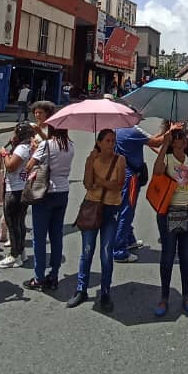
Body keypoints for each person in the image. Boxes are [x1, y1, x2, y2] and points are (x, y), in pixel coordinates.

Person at [68, 129, 126, 312]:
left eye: (113, 140)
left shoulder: (120, 160)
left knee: (107, 253)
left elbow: (118, 185)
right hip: (92, 207)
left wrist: (100, 182)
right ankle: (81, 288)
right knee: (87, 251)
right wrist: (91, 162)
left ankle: (106, 291)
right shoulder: (91, 159)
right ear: (99, 142)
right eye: (108, 141)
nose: (111, 144)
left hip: (111, 208)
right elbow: (87, 183)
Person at [152, 125, 188, 316]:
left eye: (184, 137)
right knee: (168, 256)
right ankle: (164, 297)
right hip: (168, 214)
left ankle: (186, 295)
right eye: (178, 137)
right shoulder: (168, 159)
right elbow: (156, 171)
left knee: (186, 257)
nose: (182, 139)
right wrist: (165, 144)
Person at [23, 125, 75, 291]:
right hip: (63, 191)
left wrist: (34, 150)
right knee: (56, 234)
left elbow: (29, 166)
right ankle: (54, 274)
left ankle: (38, 276)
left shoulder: (46, 145)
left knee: (39, 236)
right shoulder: (70, 145)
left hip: (45, 192)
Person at [113, 121, 173, 263]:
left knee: (125, 209)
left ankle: (129, 239)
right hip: (130, 176)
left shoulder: (118, 128)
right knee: (127, 210)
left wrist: (162, 130)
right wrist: (169, 132)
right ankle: (119, 250)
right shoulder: (131, 131)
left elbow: (149, 139)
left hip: (122, 172)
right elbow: (156, 142)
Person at [0, 121, 36, 269]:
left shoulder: (22, 148)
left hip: (15, 190)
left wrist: (4, 154)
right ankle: (21, 251)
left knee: (12, 224)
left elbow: (11, 167)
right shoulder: (30, 148)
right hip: (23, 188)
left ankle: (14, 255)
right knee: (19, 222)